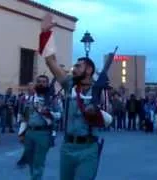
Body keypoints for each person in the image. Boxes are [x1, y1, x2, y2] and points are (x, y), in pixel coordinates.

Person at [39, 13, 112, 180]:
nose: (74, 69)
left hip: (88, 147)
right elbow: (50, 62)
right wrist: (44, 34)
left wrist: (97, 112)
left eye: (78, 66)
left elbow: (109, 119)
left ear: (89, 70)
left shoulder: (100, 91)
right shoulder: (69, 85)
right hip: (67, 146)